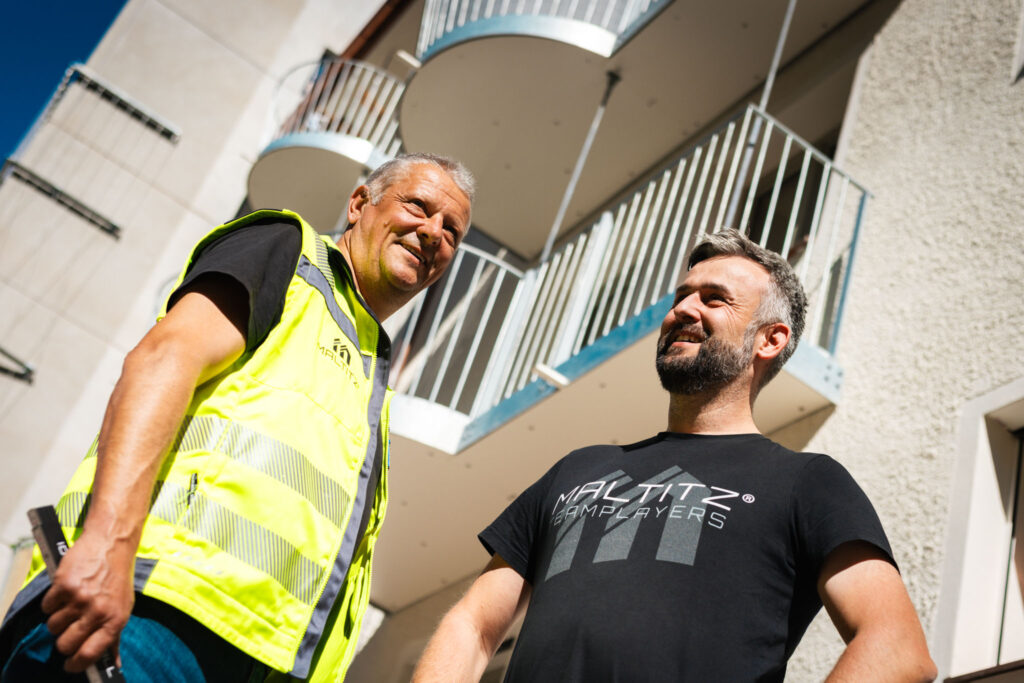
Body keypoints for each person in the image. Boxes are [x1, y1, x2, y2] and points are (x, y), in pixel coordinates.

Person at [0, 152, 474, 681]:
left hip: (254, 661)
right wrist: (108, 549)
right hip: (149, 614)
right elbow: (163, 359)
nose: (433, 232)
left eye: (452, 229)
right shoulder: (290, 254)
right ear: (360, 203)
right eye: (418, 206)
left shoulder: (369, 367)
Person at [411, 229, 936, 682]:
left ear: (771, 340)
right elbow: (473, 626)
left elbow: (896, 649)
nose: (682, 309)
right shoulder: (578, 469)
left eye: (714, 298)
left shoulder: (805, 482)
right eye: (682, 296)